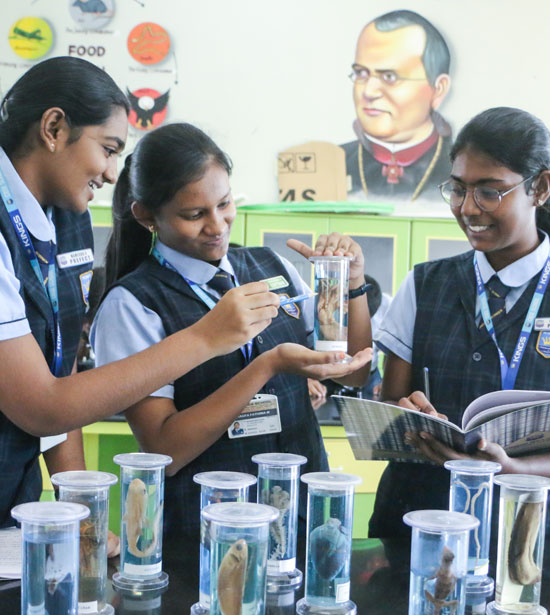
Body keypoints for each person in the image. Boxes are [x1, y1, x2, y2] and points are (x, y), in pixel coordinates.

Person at [0, 57, 359, 529]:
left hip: (16, 494)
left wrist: (82, 517)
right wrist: (217, 341)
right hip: (197, 523)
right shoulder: (134, 300)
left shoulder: (67, 218)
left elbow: (60, 370)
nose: (110, 173)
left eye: (225, 204)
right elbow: (47, 407)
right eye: (108, 149)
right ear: (53, 128)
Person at [92, 121, 373, 538]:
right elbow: (163, 449)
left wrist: (352, 284)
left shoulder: (271, 266)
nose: (217, 225)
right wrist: (267, 366)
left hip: (299, 519)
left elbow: (353, 372)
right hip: (207, 529)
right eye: (194, 215)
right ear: (147, 215)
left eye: (224, 204)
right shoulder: (132, 305)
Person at [369, 106, 550, 539]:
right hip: (419, 523)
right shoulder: (425, 283)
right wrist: (407, 416)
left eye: (489, 192)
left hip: (533, 535)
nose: (468, 208)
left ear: (540, 188)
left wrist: (512, 470)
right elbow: (390, 407)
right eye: (458, 189)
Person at [341, 10, 452, 202]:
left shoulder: (461, 169)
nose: (369, 92)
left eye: (389, 77)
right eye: (361, 73)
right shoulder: (333, 162)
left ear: (438, 89)